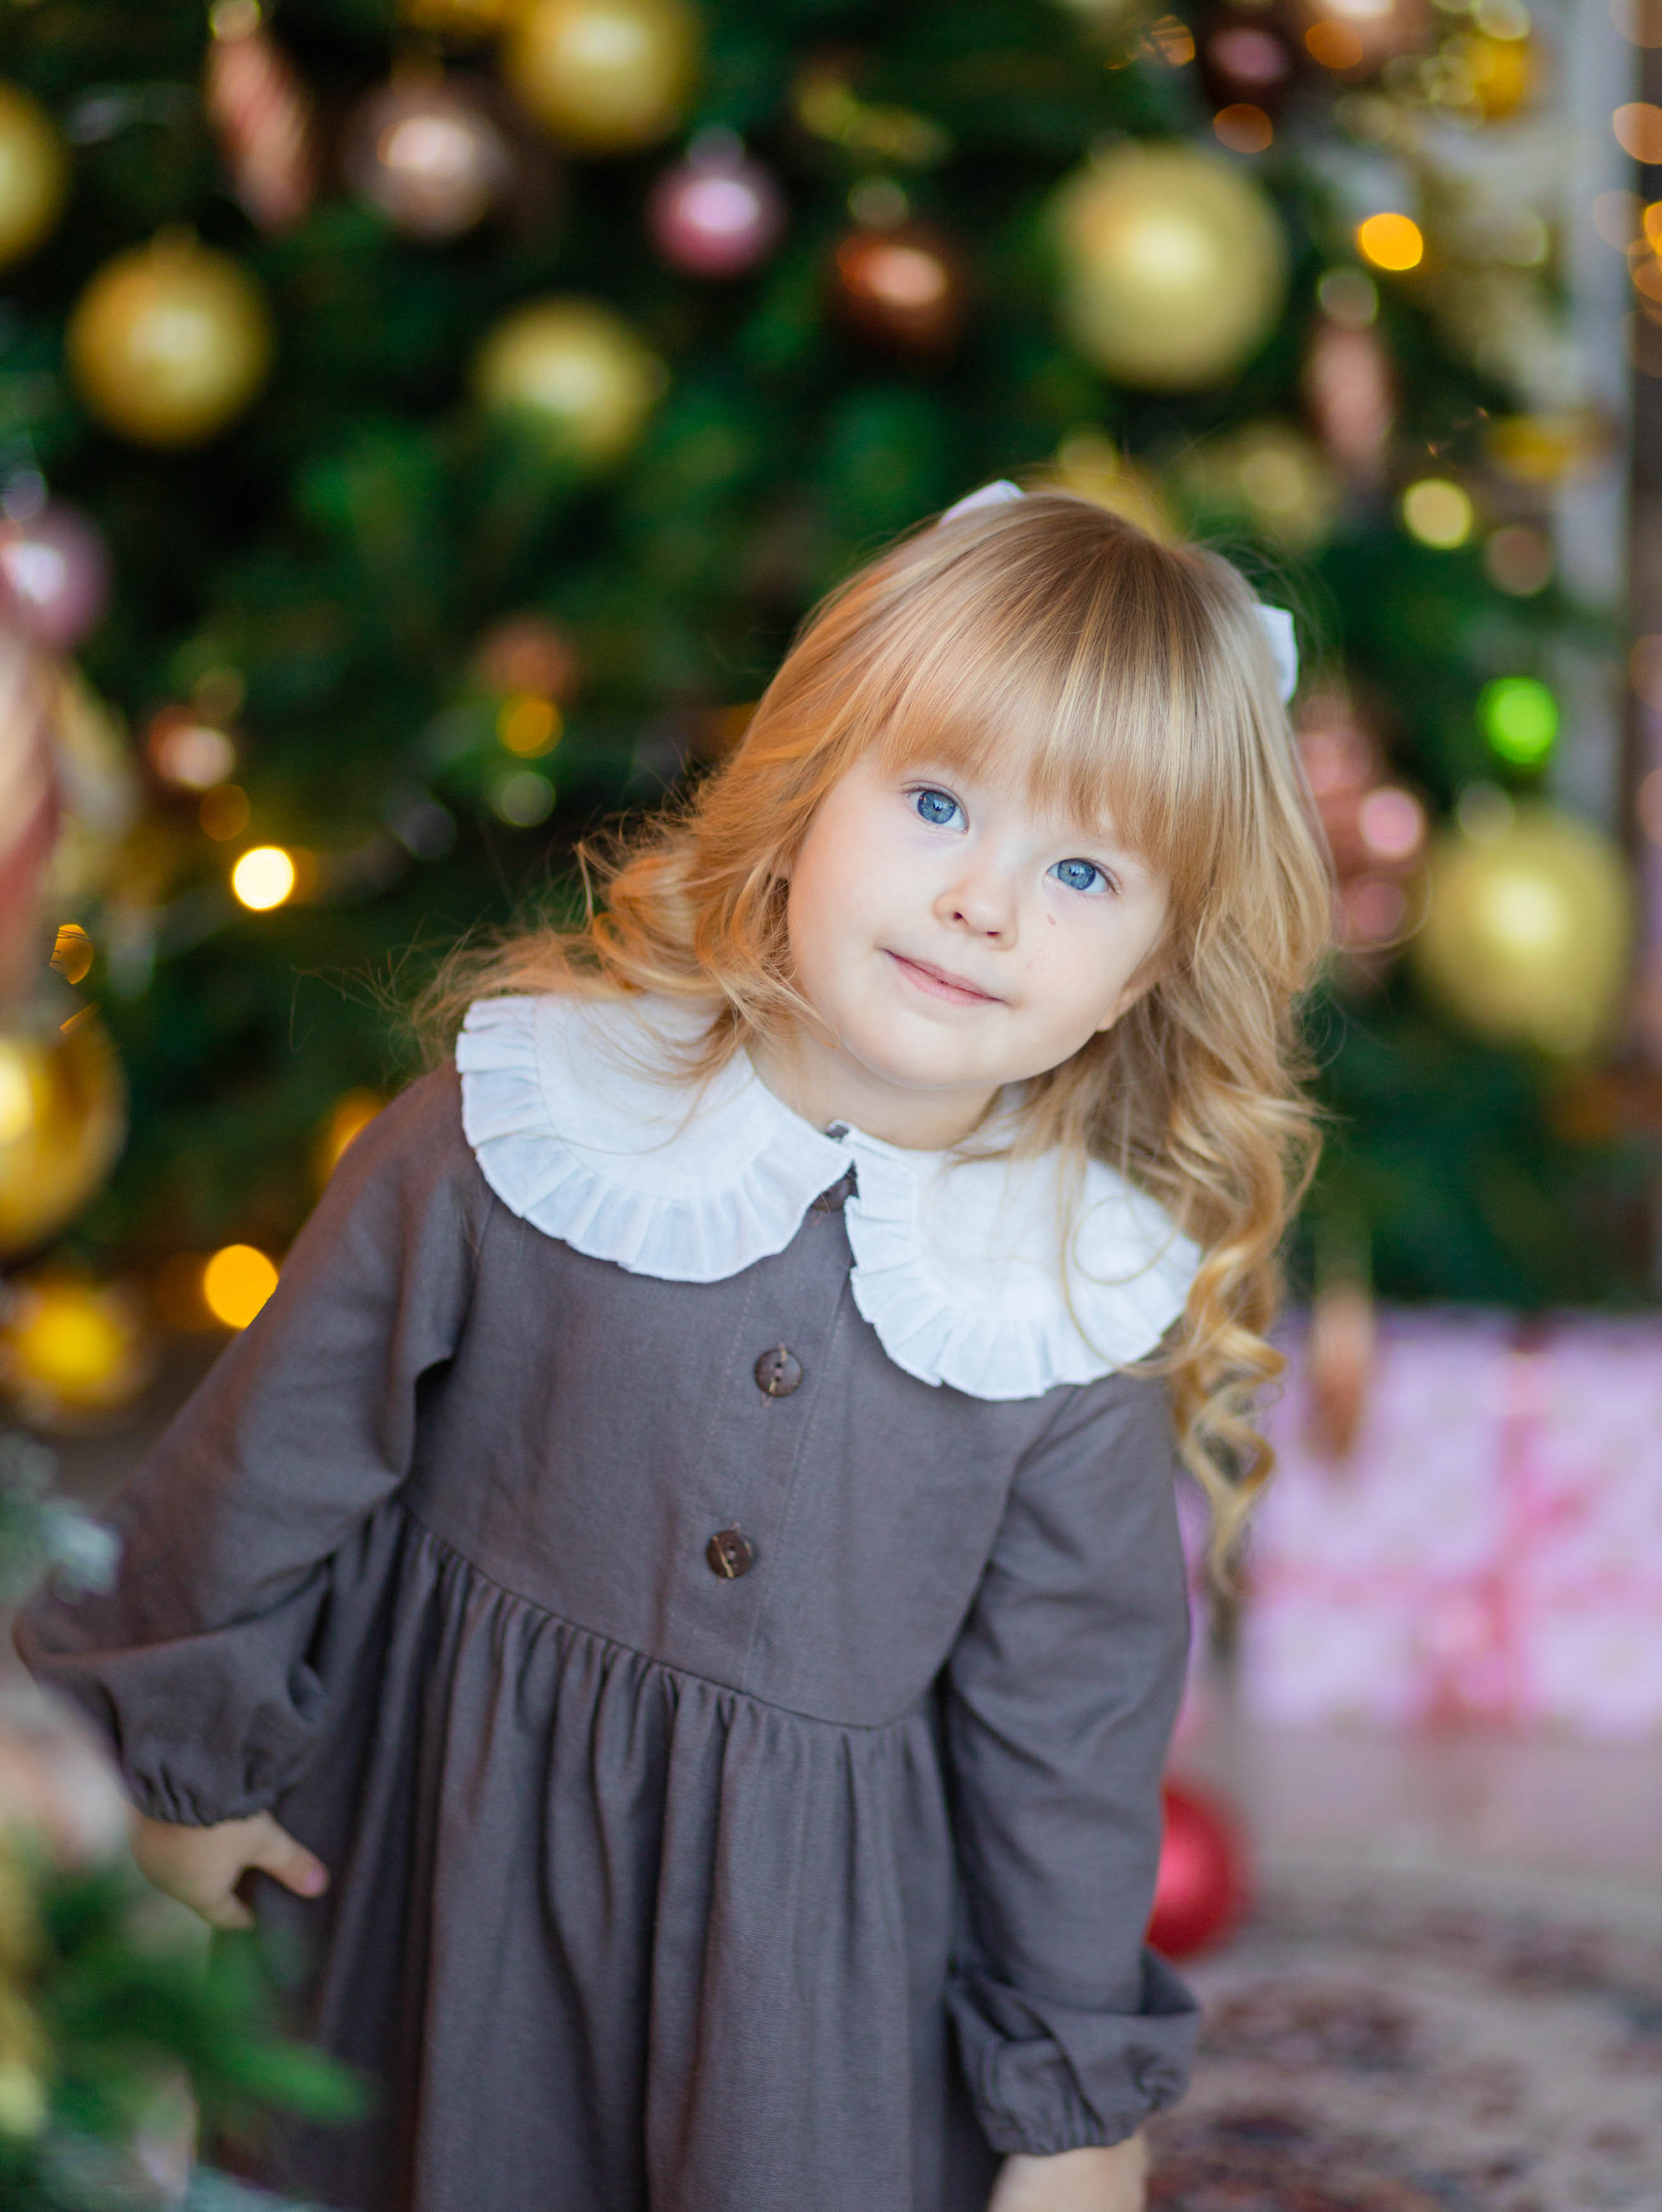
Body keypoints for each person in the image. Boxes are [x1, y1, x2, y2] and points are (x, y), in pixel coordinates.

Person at [16, 484, 1330, 2212]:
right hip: (433, 1872)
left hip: (798, 1998)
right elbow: (274, 1456)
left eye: (1082, 870)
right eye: (935, 800)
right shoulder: (527, 1124)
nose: (983, 904)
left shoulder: (1064, 1305)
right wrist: (181, 1767)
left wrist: (1071, 2099)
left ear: (1150, 968)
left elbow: (1065, 1739)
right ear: (803, 796)